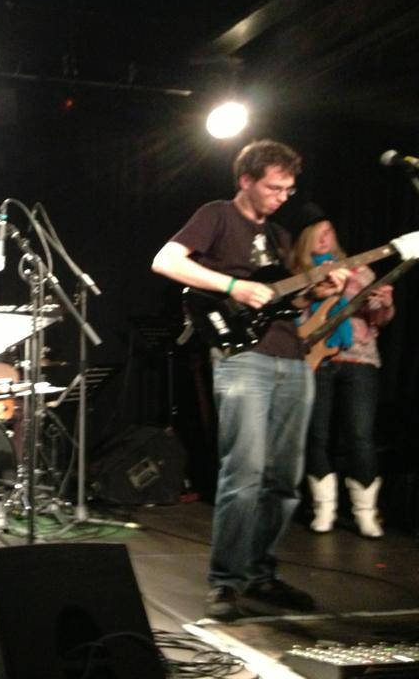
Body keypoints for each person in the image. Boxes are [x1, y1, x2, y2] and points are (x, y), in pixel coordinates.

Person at [151, 139, 348, 621]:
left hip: (292, 358)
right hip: (243, 359)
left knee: (284, 480)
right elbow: (166, 261)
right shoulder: (217, 214)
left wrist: (317, 293)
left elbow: (283, 303)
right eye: (274, 187)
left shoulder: (280, 235)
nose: (282, 197)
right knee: (244, 473)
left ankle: (261, 574)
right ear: (246, 180)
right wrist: (234, 286)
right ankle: (226, 581)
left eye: (288, 189)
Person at [289, 207, 395, 538]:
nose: (325, 238)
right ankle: (324, 509)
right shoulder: (298, 274)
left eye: (330, 231)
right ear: (306, 240)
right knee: (316, 436)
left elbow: (379, 319)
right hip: (315, 360)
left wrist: (385, 303)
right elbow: (290, 317)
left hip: (359, 359)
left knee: (360, 436)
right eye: (318, 233)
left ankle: (365, 512)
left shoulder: (360, 270)